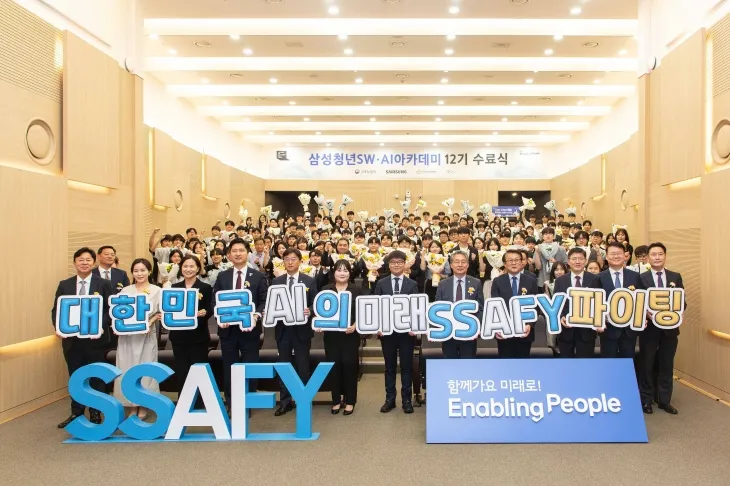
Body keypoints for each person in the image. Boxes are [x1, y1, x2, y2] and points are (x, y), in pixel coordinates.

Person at [52, 247, 113, 428]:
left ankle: (96, 412)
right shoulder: (65, 285)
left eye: (88, 260)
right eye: (81, 260)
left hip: (96, 341)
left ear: (93, 263)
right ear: (74, 263)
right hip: (72, 341)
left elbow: (110, 310)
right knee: (76, 376)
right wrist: (59, 328)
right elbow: (56, 310)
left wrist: (99, 326)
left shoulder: (103, 284)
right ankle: (76, 412)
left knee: (96, 376)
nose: (84, 263)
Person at [213, 238, 268, 412]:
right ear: (229, 255)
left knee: (250, 366)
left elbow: (263, 301)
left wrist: (256, 316)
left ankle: (248, 402)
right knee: (229, 367)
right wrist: (220, 318)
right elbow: (215, 301)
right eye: (234, 251)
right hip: (227, 331)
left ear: (247, 253)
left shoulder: (258, 276)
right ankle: (232, 403)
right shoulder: (222, 276)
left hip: (250, 330)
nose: (238, 254)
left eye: (241, 250)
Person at [638, 242, 683, 415]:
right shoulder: (641, 278)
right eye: (653, 254)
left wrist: (679, 311)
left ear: (665, 256)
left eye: (660, 254)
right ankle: (646, 399)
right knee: (647, 364)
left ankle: (664, 400)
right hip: (649, 329)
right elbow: (637, 302)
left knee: (666, 364)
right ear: (648, 258)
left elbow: (682, 300)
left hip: (669, 330)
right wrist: (645, 313)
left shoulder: (675, 277)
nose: (657, 257)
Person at [114, 258, 161, 420]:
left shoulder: (157, 290)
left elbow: (160, 312)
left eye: (143, 270)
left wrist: (150, 321)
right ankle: (131, 405)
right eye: (136, 271)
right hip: (127, 337)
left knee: (145, 369)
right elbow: (117, 312)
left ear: (149, 271)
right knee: (126, 368)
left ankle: (144, 404)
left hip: (145, 336)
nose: (139, 274)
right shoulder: (125, 290)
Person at [272, 248, 317, 416]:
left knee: (303, 366)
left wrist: (309, 310)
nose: (290, 262)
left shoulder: (309, 281)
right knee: (284, 367)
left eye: (293, 259)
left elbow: (315, 302)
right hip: (282, 330)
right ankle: (285, 402)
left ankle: (303, 400)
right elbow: (271, 303)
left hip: (302, 330)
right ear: (283, 262)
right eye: (287, 259)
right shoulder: (276, 281)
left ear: (300, 261)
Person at [373, 250, 419, 414]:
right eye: (393, 262)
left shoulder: (412, 284)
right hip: (387, 333)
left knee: (406, 367)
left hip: (406, 333)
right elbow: (376, 307)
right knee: (390, 367)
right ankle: (390, 399)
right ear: (388, 265)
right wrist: (378, 326)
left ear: (405, 264)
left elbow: (416, 308)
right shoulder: (381, 283)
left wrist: (415, 327)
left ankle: (407, 400)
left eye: (400, 262)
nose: (396, 265)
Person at [320, 260, 361, 415]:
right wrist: (319, 323)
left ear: (350, 273)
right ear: (334, 272)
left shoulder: (356, 290)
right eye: (339, 270)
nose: (342, 273)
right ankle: (336, 400)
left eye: (345, 270)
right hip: (331, 336)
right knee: (334, 367)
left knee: (350, 367)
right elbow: (320, 310)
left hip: (350, 335)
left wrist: (356, 325)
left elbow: (363, 311)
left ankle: (350, 401)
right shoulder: (326, 290)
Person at [171, 255, 213, 408]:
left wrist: (205, 313)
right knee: (181, 370)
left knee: (199, 370)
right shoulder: (174, 288)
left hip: (198, 336)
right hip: (178, 337)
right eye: (185, 266)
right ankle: (184, 403)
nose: (188, 269)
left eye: (191, 266)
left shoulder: (206, 288)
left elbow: (211, 308)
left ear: (198, 268)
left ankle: (201, 402)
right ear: (181, 268)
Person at [491, 249, 540, 358]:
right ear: (505, 264)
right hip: (504, 332)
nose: (514, 263)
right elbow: (494, 307)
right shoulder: (497, 281)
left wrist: (530, 325)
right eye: (510, 260)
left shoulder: (531, 281)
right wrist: (497, 327)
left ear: (522, 262)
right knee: (505, 363)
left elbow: (536, 306)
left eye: (517, 260)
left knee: (522, 364)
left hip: (524, 331)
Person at [434, 251, 483, 358]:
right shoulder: (443, 284)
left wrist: (476, 327)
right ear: (451, 265)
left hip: (469, 332)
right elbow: (438, 307)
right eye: (456, 262)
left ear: (468, 265)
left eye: (463, 262)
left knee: (468, 363)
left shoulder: (476, 283)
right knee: (449, 363)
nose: (460, 265)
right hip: (449, 332)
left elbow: (480, 308)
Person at [554, 248, 601, 358]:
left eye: (580, 258)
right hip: (566, 330)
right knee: (566, 363)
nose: (577, 261)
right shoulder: (560, 280)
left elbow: (598, 302)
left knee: (585, 364)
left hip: (587, 331)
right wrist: (561, 317)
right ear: (568, 261)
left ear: (585, 261)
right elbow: (557, 303)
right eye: (574, 259)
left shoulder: (595, 279)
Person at [598, 242, 642, 359]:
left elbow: (641, 300)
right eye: (612, 254)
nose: (616, 256)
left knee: (627, 362)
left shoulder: (635, 276)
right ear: (607, 257)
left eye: (619, 253)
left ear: (625, 256)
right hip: (608, 329)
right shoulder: (599, 277)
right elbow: (595, 303)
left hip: (629, 330)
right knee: (608, 363)